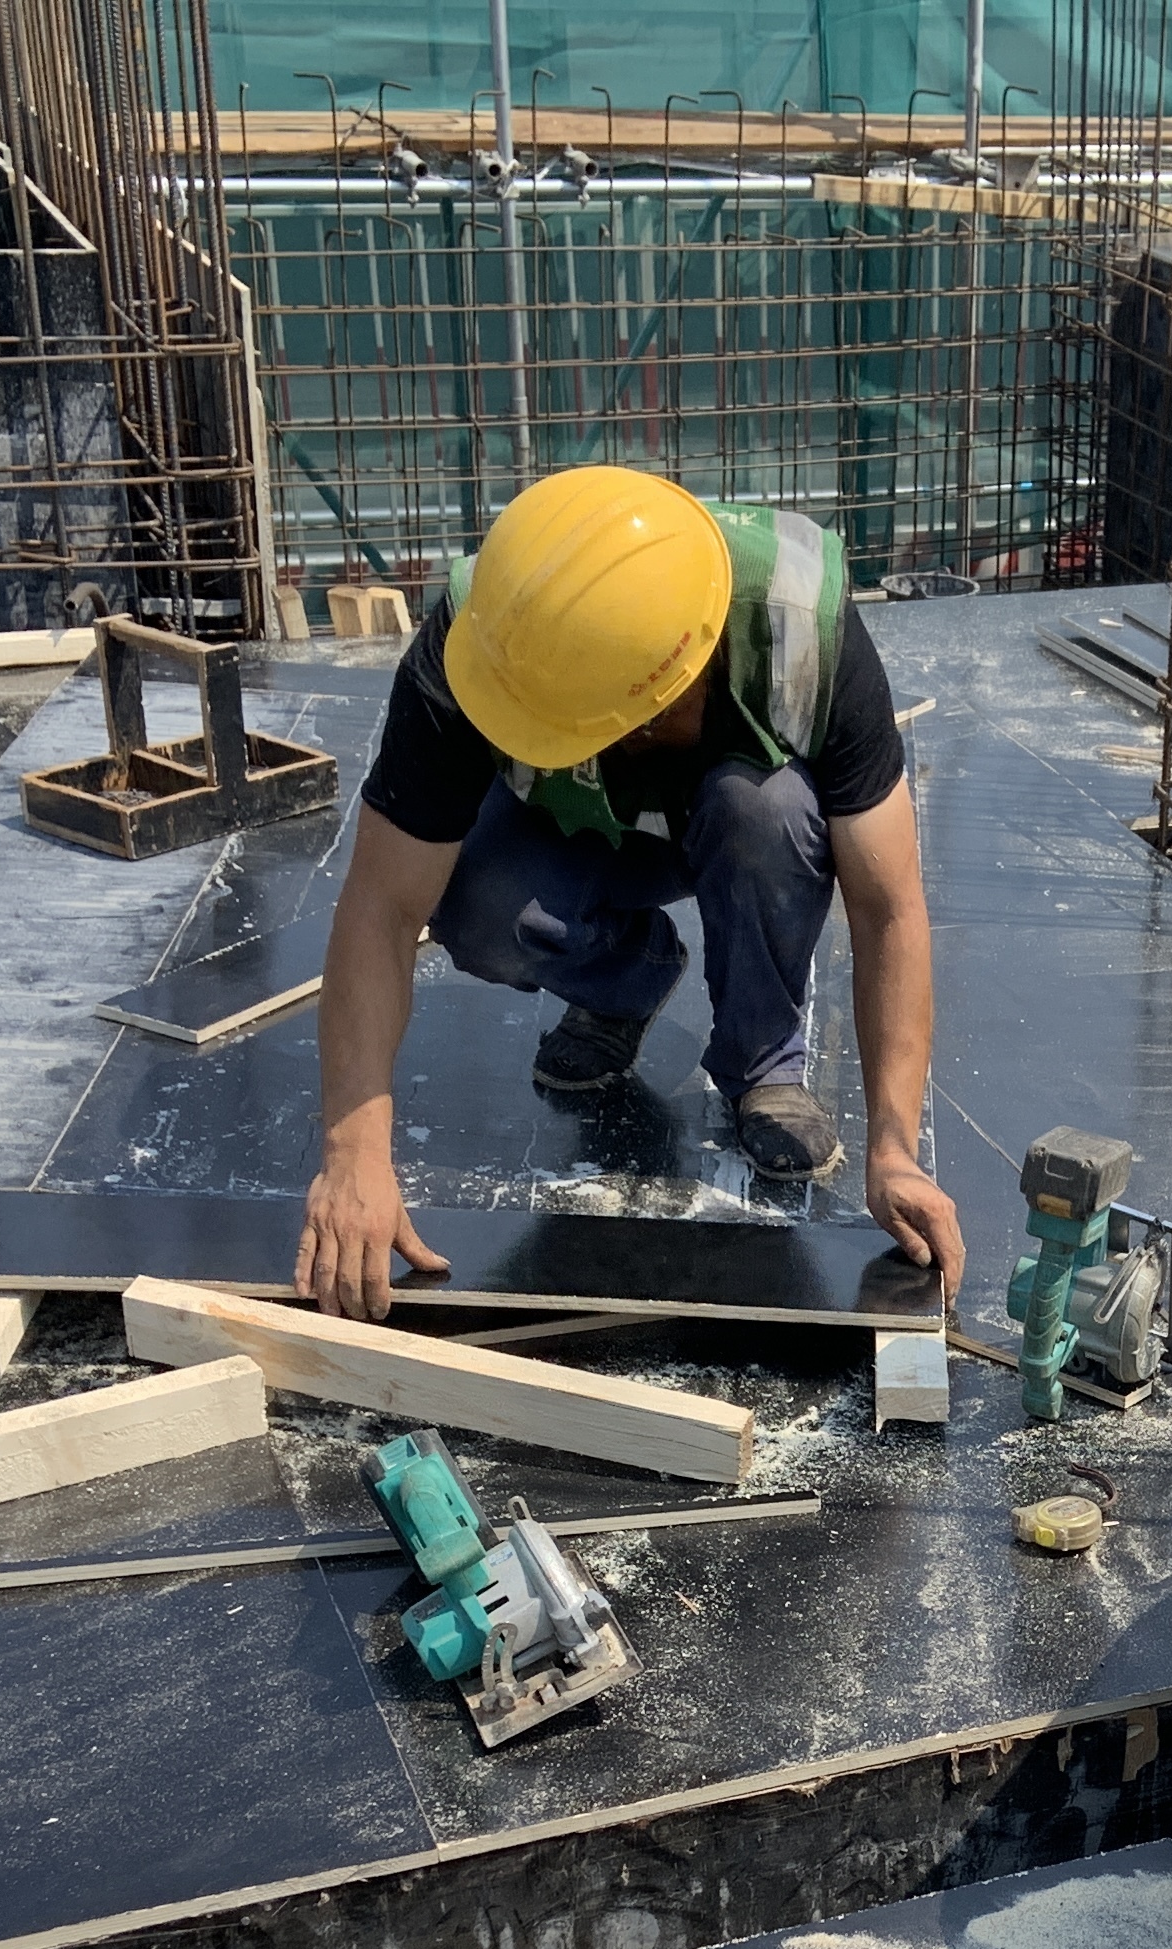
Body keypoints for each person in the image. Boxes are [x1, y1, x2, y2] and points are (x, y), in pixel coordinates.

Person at [292, 467, 966, 1317]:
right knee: (476, 905)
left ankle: (763, 1064)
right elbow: (383, 906)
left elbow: (890, 907)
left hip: (729, 825)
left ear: (663, 695)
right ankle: (622, 982)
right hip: (572, 827)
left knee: (765, 808)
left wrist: (895, 1149)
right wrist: (355, 1154)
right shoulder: (495, 637)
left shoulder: (805, 623)